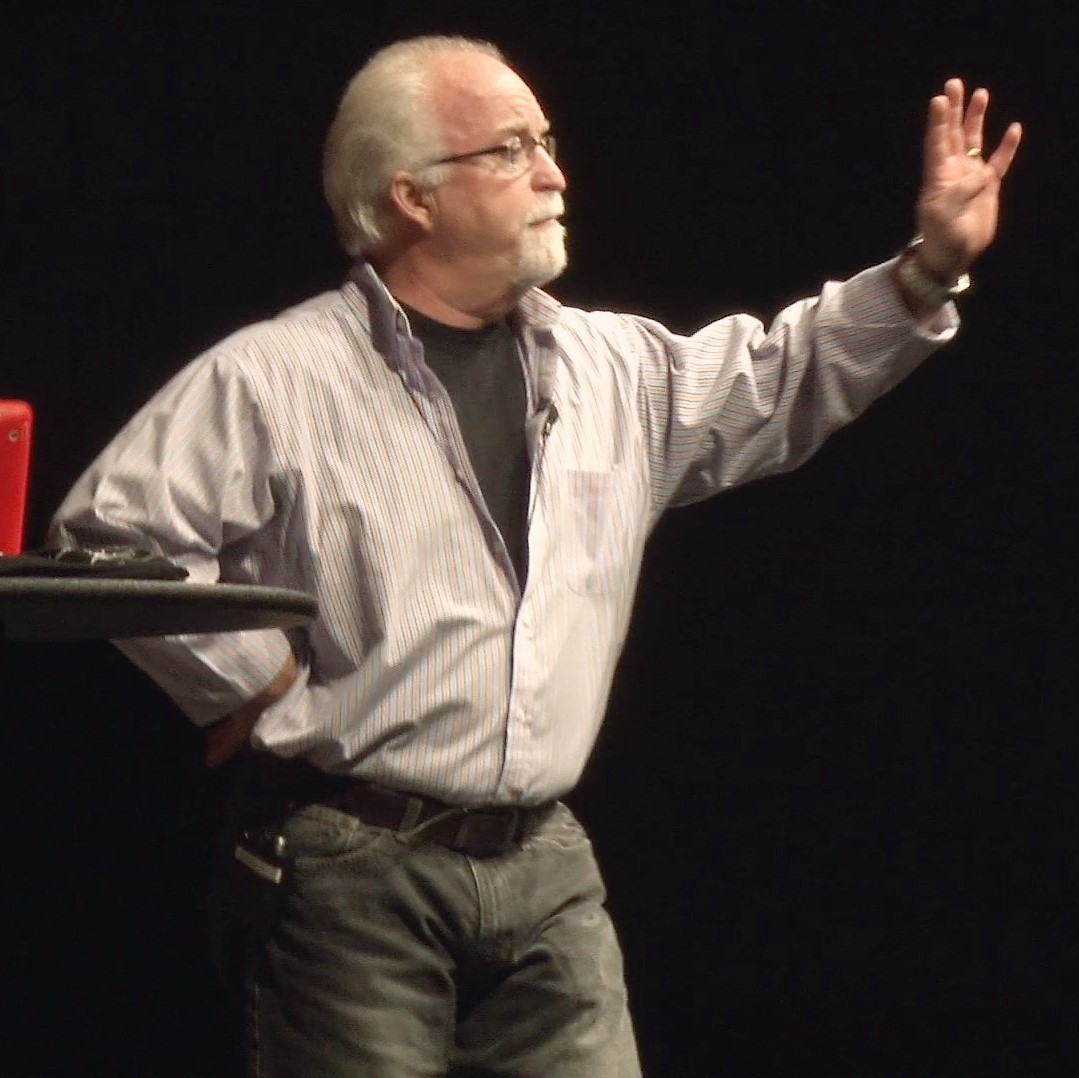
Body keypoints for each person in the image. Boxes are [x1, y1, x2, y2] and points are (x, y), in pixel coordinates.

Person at [50, 34, 1021, 1078]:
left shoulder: (607, 365)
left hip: (546, 864)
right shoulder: (276, 376)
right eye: (511, 149)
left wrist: (928, 269)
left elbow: (777, 377)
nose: (555, 173)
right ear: (411, 195)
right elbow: (109, 536)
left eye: (546, 143)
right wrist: (251, 680)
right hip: (353, 868)